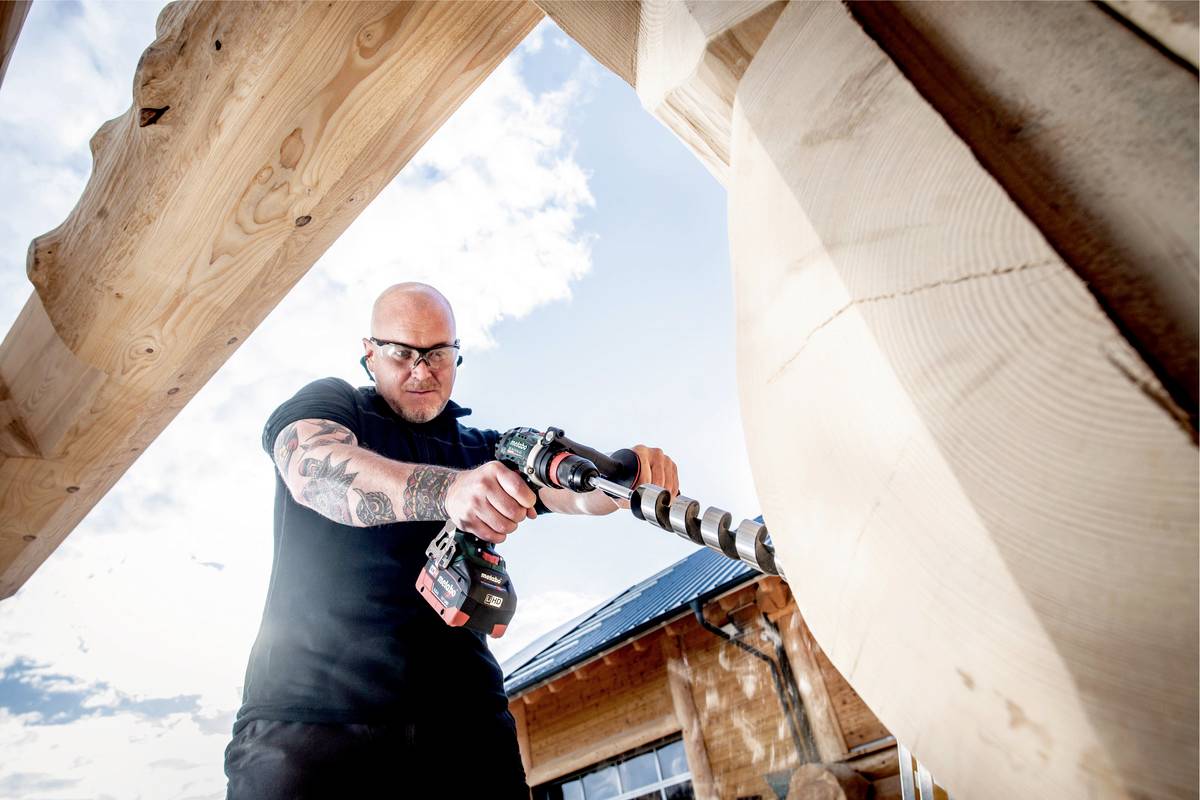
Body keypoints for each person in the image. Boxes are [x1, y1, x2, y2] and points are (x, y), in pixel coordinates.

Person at [224, 283, 680, 798]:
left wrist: (625, 481)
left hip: (463, 728)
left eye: (438, 353)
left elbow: (568, 496)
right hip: (309, 726)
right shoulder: (334, 404)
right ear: (370, 354)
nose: (422, 371)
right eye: (402, 353)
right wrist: (451, 490)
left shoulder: (484, 450)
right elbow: (310, 470)